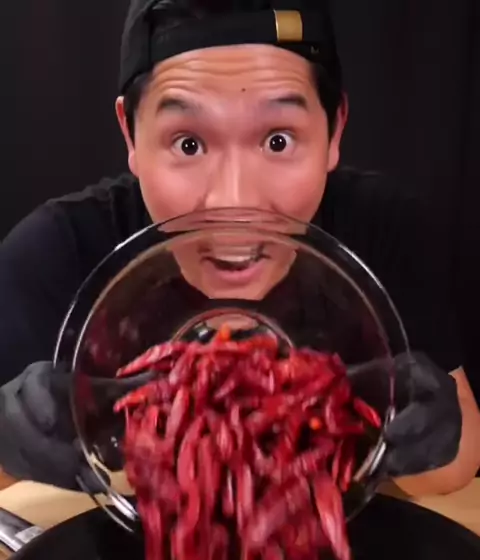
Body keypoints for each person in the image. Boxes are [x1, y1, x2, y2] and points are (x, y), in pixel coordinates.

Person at [0, 0, 477, 496]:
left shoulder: (385, 232)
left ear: (335, 129)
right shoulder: (56, 252)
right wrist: (8, 442)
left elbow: (456, 468)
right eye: (188, 144)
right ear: (131, 133)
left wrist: (425, 428)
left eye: (278, 141)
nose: (233, 203)